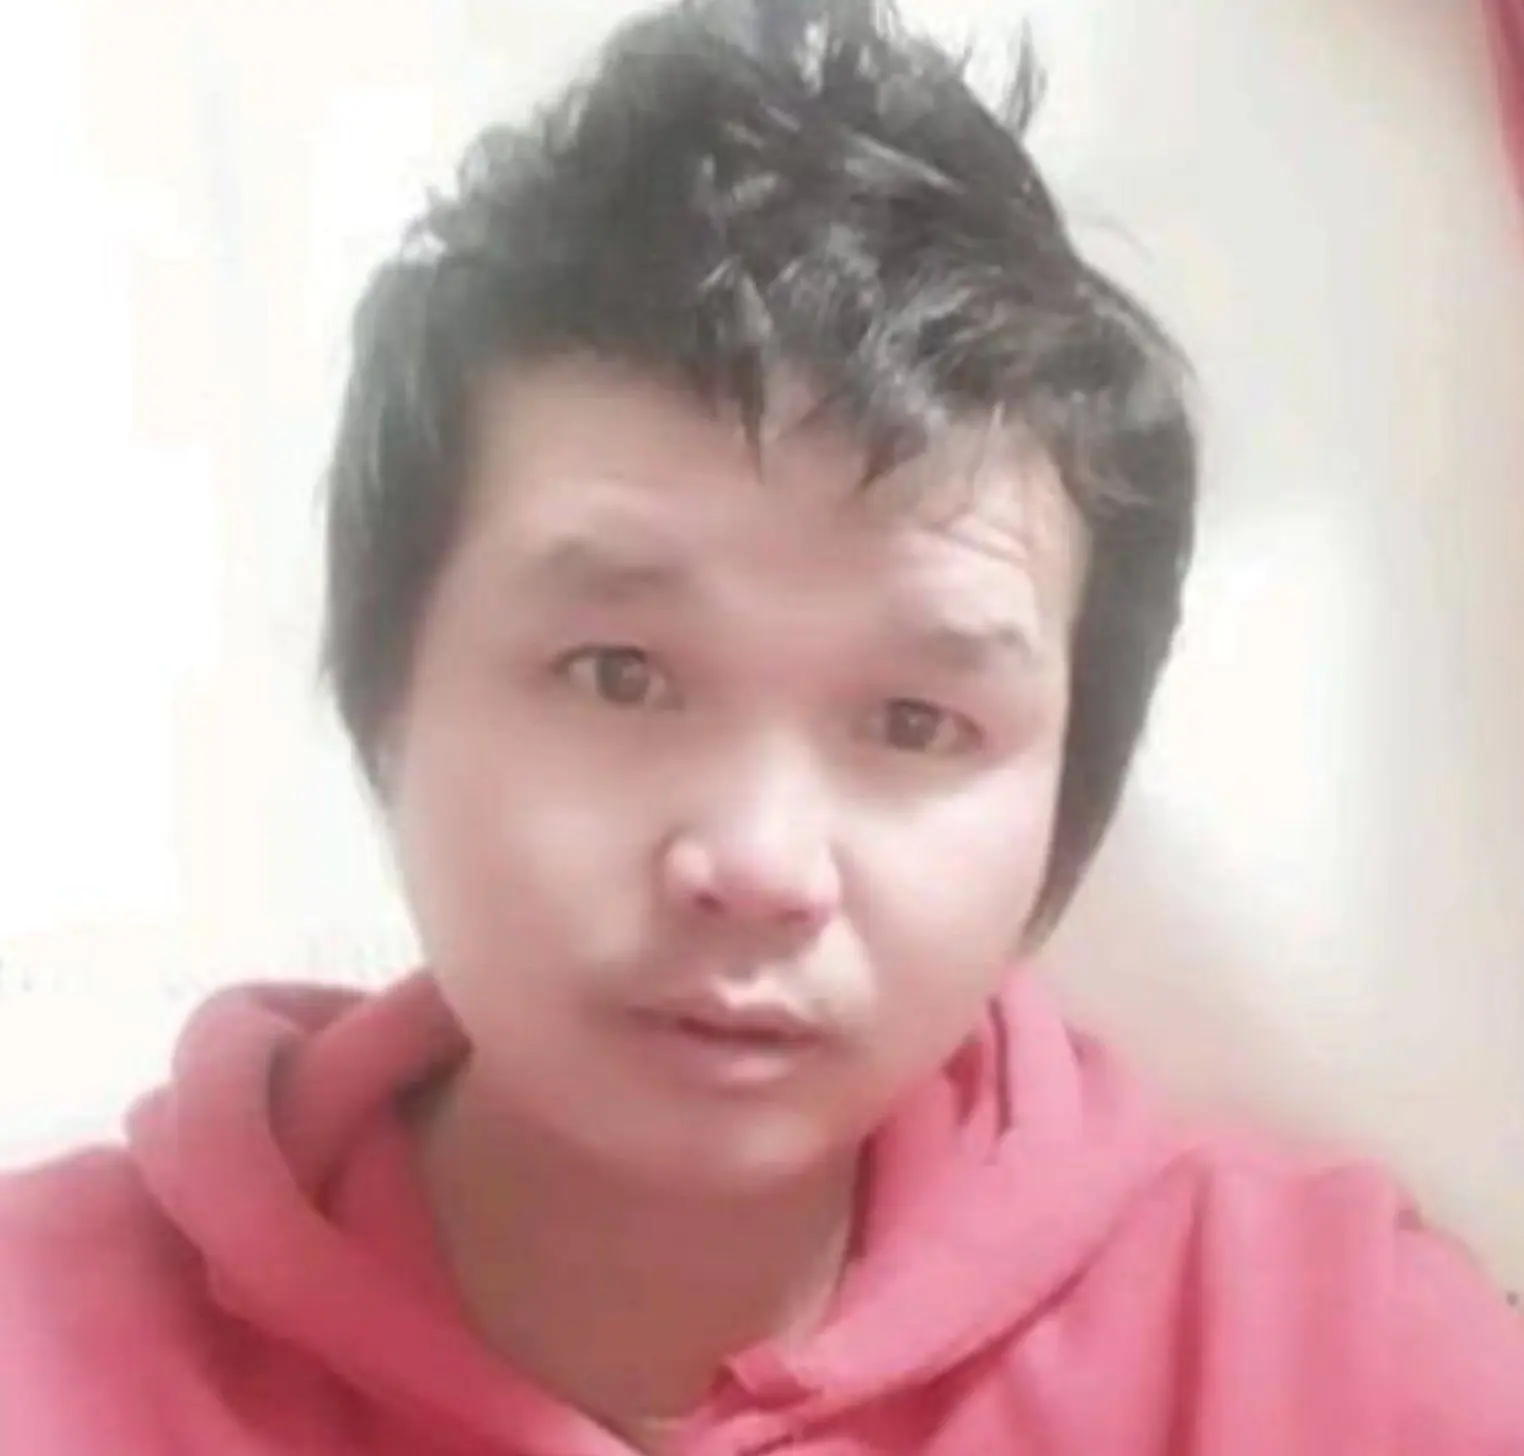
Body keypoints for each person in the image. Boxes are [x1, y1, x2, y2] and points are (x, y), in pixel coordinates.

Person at [3, 1, 1521, 1451]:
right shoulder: (49, 1358)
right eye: (619, 673)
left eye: (916, 720)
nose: (756, 861)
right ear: (387, 692)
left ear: (1068, 801)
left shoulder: (1334, 1365)